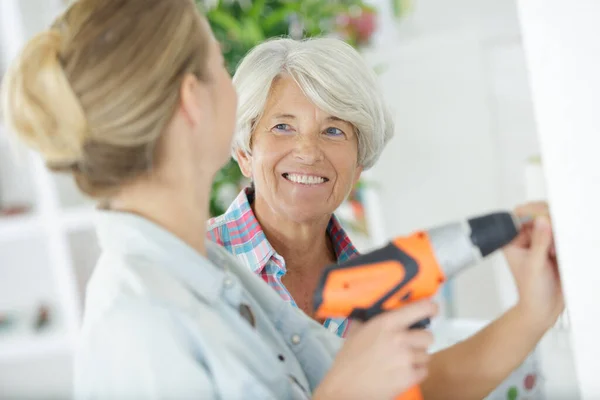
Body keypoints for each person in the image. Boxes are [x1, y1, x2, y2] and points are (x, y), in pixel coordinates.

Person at [0, 0, 439, 399]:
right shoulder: (138, 319)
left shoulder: (214, 274)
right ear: (195, 101)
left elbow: (400, 381)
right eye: (217, 64)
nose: (308, 150)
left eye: (334, 130)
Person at [207, 37, 564, 399]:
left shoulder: (373, 286)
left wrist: (534, 312)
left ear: (359, 166)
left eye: (334, 130)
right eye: (283, 126)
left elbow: (421, 390)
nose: (308, 151)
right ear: (244, 152)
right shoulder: (192, 261)